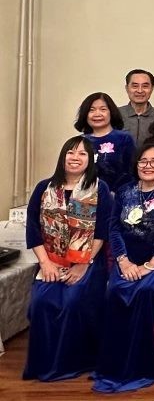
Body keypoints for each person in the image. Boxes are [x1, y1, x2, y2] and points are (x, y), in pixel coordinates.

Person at [92, 142, 154, 392]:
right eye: (143, 161)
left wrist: (149, 265)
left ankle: (141, 364)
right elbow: (114, 228)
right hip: (127, 259)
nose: (148, 166)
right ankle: (114, 363)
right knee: (114, 293)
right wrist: (123, 260)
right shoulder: (124, 191)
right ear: (136, 165)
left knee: (144, 293)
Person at [23, 136, 111, 381]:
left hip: (88, 261)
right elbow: (32, 229)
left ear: (90, 160)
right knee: (41, 303)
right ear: (63, 157)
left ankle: (74, 363)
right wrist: (45, 263)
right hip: (50, 259)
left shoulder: (99, 188)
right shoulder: (44, 188)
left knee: (73, 302)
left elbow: (102, 231)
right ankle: (43, 364)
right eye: (71, 153)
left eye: (82, 154)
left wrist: (83, 265)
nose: (75, 158)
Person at [74, 92, 136, 193]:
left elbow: (132, 172)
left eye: (103, 109)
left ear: (111, 112)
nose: (97, 114)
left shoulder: (124, 138)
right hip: (85, 198)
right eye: (91, 110)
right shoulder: (80, 142)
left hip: (119, 197)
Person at [119, 69, 154, 147]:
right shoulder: (115, 114)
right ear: (127, 88)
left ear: (152, 89)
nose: (140, 91)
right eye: (135, 86)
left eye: (145, 86)